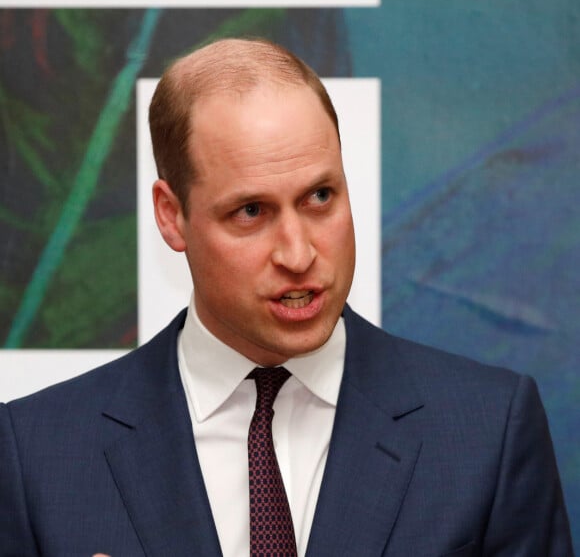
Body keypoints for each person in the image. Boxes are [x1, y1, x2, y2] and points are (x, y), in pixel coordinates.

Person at [0, 38, 573, 557]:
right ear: (172, 217)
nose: (298, 253)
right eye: (251, 211)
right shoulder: (37, 456)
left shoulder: (486, 433)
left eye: (321, 196)